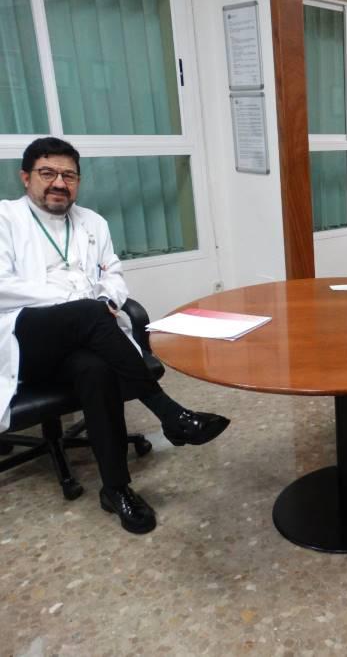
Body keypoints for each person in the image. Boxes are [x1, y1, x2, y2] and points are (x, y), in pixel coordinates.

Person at [0, 137, 231, 535]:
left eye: (69, 175)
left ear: (78, 181)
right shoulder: (4, 219)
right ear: (25, 178)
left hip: (82, 340)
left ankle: (116, 489)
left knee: (94, 370)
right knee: (89, 311)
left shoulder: (93, 223)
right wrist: (81, 300)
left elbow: (114, 276)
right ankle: (169, 412)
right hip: (24, 337)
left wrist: (106, 297)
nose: (59, 183)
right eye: (48, 173)